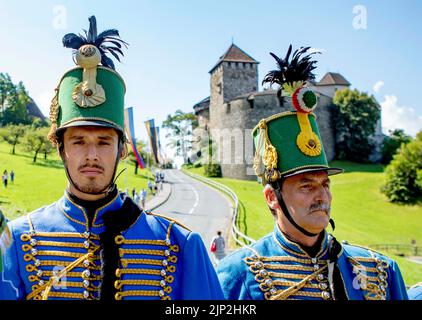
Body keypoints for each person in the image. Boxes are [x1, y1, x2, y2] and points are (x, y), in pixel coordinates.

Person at [0, 16, 223, 301]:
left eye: (104, 142)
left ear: (122, 149)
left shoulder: (181, 245)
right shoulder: (16, 241)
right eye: (78, 141)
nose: (91, 155)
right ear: (60, 148)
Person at [217, 45, 408, 300]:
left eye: (325, 184)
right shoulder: (236, 277)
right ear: (272, 198)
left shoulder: (381, 271)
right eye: (306, 186)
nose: (322, 196)